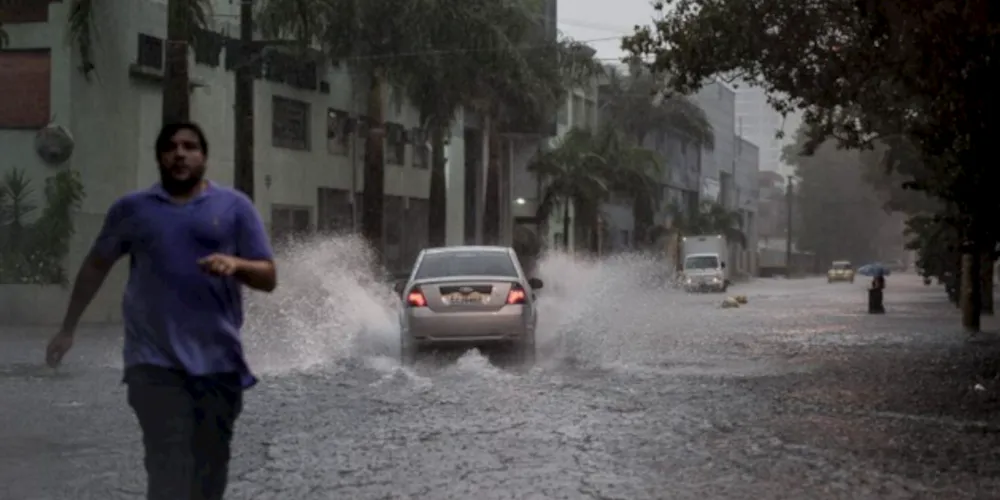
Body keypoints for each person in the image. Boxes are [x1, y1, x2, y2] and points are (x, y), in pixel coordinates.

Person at [45, 122, 277, 500]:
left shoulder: (235, 208)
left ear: (204, 157)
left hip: (218, 365)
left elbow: (268, 276)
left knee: (209, 474)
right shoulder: (132, 210)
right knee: (167, 465)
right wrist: (68, 328)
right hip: (152, 364)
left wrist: (236, 265)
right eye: (171, 147)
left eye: (190, 147)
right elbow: (95, 266)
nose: (180, 154)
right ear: (159, 157)